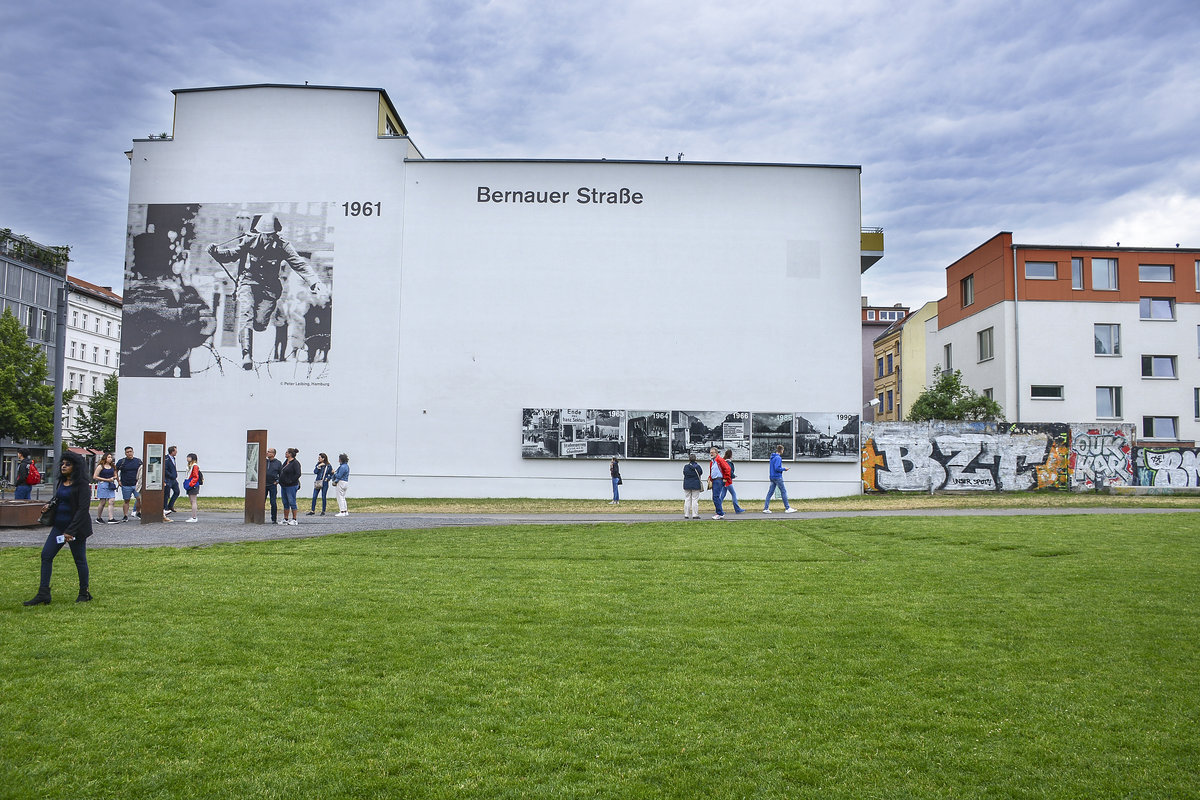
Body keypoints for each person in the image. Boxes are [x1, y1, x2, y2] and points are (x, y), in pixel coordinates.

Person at [206, 213, 329, 370]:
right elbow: (233, 254)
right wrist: (216, 252)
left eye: (271, 235)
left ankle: (256, 329)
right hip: (248, 282)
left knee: (259, 324)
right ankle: (246, 355)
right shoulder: (250, 240)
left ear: (275, 233)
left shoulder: (282, 245)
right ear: (260, 232)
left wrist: (314, 282)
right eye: (265, 234)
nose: (267, 238)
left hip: (269, 290)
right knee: (246, 312)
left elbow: (299, 264)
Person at [24, 451, 94, 605]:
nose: (63, 466)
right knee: (46, 555)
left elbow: (83, 509)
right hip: (59, 526)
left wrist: (70, 531)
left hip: (75, 529)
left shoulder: (82, 484)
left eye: (67, 464)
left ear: (75, 467)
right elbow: (59, 498)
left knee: (80, 560)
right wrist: (49, 503)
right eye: (62, 463)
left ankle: (84, 592)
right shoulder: (62, 482)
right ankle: (43, 593)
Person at [763, 444, 797, 513]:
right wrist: (784, 469)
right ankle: (787, 508)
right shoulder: (778, 458)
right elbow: (777, 468)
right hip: (777, 477)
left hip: (772, 477)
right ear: (781, 450)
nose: (783, 451)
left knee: (770, 493)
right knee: (783, 491)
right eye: (783, 450)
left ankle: (766, 508)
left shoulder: (772, 457)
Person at [115, 446, 142, 521]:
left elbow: (142, 470)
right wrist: (118, 481)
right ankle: (125, 515)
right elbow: (115, 471)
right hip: (126, 484)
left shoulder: (138, 461)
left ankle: (138, 512)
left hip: (136, 484)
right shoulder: (122, 461)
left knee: (139, 499)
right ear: (125, 453)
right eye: (127, 452)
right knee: (126, 500)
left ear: (133, 452)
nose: (129, 453)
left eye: (130, 451)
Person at [92, 453, 120, 524]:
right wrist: (106, 479)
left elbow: (115, 475)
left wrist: (113, 478)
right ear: (105, 458)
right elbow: (95, 476)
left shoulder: (113, 466)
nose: (110, 458)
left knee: (111, 501)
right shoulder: (100, 466)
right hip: (103, 484)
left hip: (110, 485)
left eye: (111, 457)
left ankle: (111, 518)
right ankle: (99, 517)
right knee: (103, 502)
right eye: (109, 457)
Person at [708, 446, 732, 520]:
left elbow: (727, 468)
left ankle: (719, 513)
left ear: (716, 453)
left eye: (712, 452)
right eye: (710, 453)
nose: (711, 454)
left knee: (716, 497)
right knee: (716, 497)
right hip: (714, 480)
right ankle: (720, 512)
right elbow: (713, 471)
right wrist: (710, 477)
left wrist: (725, 478)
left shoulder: (719, 460)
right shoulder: (713, 461)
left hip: (718, 480)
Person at [278, 447, 301, 525]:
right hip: (283, 485)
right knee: (285, 502)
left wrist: (291, 480)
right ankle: (286, 518)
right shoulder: (286, 462)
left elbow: (298, 473)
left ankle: (294, 519)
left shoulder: (295, 463)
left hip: (291, 485)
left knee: (292, 501)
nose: (285, 454)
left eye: (287, 453)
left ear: (290, 454)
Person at [723, 449, 747, 514]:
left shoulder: (724, 462)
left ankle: (718, 508)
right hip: (728, 480)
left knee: (722, 495)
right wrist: (733, 476)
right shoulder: (729, 463)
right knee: (733, 494)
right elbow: (729, 471)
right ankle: (737, 509)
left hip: (723, 480)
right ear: (730, 455)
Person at [264, 448, 283, 524]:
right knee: (262, 502)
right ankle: (260, 517)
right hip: (264, 485)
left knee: (273, 502)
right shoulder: (264, 461)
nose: (267, 453)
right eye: (267, 451)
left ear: (273, 454)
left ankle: (274, 519)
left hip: (272, 484)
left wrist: (277, 481)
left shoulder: (278, 463)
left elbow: (281, 473)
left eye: (269, 452)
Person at [683, 453, 704, 519]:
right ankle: (695, 514)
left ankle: (686, 514)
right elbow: (700, 473)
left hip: (687, 484)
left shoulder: (686, 467)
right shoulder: (698, 467)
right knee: (695, 500)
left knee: (687, 499)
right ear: (695, 459)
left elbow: (684, 473)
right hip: (695, 484)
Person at [182, 453, 201, 522]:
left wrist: (190, 484)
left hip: (193, 485)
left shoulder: (195, 466)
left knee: (193, 501)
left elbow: (196, 477)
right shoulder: (190, 466)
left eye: (189, 457)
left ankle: (194, 517)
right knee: (192, 501)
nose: (187, 458)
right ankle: (193, 516)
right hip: (191, 485)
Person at [164, 446, 180, 515]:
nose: (176, 452)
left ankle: (171, 505)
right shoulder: (166, 459)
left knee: (177, 491)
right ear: (172, 451)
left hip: (173, 479)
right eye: (175, 451)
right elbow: (165, 469)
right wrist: (171, 475)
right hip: (168, 479)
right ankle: (165, 507)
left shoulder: (173, 458)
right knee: (166, 494)